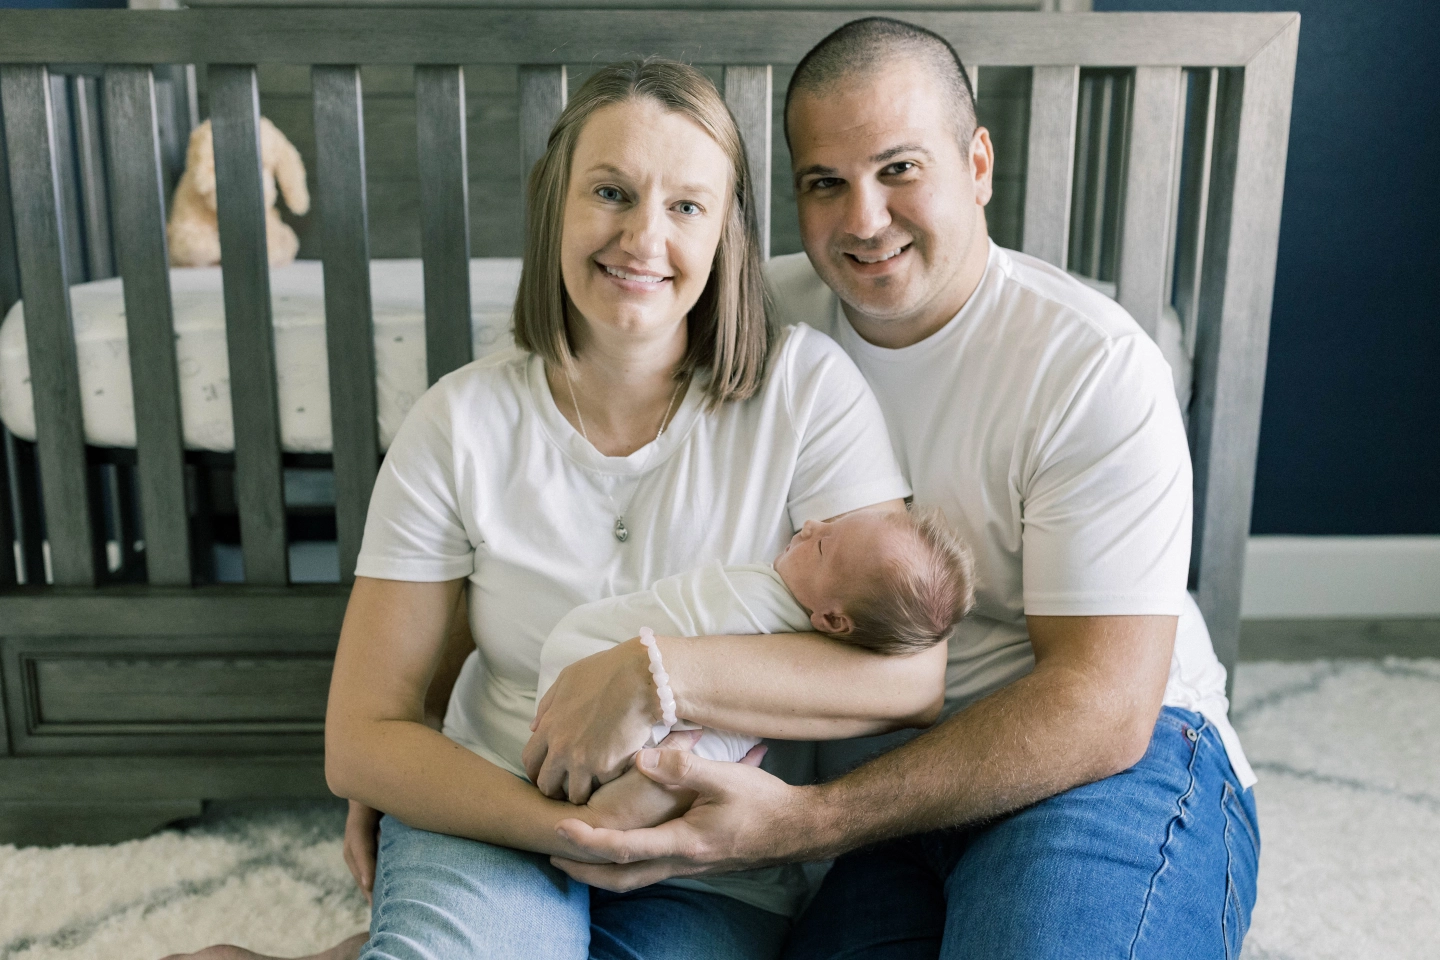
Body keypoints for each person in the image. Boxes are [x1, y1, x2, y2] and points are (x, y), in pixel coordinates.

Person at [162, 56, 937, 960]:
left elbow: (907, 676)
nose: (644, 239)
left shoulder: (807, 392)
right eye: (610, 191)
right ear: (554, 204)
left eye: (686, 206)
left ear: (727, 230)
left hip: (696, 858)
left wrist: (659, 674)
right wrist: (559, 829)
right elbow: (362, 736)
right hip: (490, 812)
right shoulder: (459, 420)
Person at [545, 18, 1262, 960]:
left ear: (977, 164)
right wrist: (410, 759)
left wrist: (809, 821)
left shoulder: (1090, 363)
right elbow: (548, 482)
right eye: (824, 184)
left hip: (1109, 767)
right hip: (892, 803)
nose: (863, 220)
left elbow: (1102, 705)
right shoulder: (749, 321)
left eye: (899, 170)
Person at [537, 506, 976, 767]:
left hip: (578, 670)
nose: (809, 525)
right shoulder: (801, 653)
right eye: (828, 524)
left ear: (833, 620)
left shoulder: (753, 600)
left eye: (823, 547)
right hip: (590, 695)